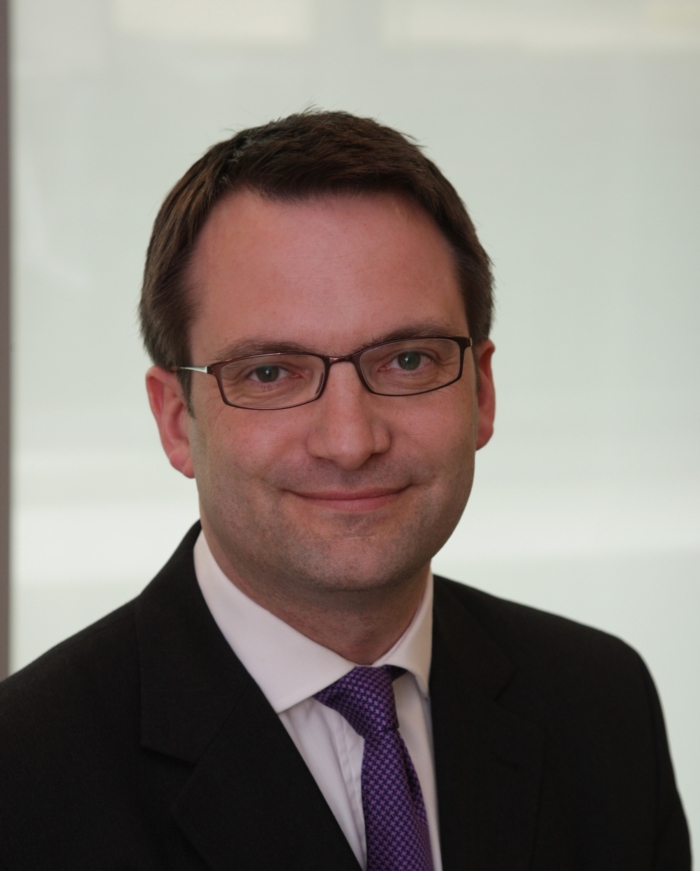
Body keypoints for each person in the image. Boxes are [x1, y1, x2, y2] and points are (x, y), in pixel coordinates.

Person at [0, 111, 691, 870]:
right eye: (271, 372)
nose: (351, 441)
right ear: (175, 420)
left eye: (408, 360)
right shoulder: (24, 774)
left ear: (482, 391)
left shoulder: (601, 704)